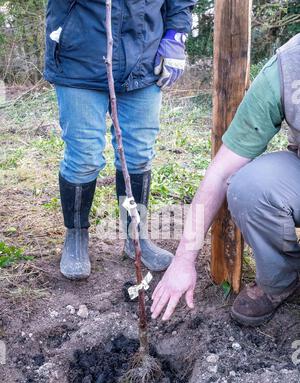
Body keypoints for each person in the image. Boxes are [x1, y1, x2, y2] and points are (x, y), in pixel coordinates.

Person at [151, 33, 300, 327]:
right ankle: (282, 280)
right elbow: (221, 172)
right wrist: (183, 260)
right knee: (249, 187)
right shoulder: (289, 65)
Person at [44, 0, 196, 279]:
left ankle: (135, 236)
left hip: (142, 59)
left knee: (138, 154)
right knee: (84, 156)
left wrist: (176, 34)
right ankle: (76, 236)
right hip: (79, 58)